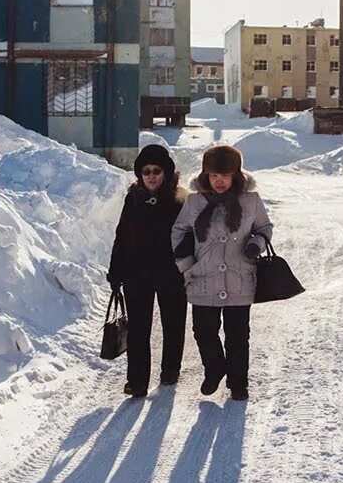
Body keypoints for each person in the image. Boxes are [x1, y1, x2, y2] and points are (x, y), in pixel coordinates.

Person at [171, 144, 272, 402]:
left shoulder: (251, 200)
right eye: (214, 175)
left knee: (238, 336)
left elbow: (264, 228)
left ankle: (239, 384)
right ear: (206, 175)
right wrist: (187, 265)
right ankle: (214, 370)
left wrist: (255, 245)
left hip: (240, 278)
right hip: (203, 278)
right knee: (204, 332)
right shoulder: (195, 201)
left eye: (225, 176)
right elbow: (179, 231)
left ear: (236, 175)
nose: (219, 181)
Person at [107, 144, 188, 399]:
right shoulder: (133, 198)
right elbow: (122, 235)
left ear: (166, 172)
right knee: (139, 329)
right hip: (137, 274)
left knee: (173, 324)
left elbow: (192, 237)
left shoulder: (181, 199)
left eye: (156, 171)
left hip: (171, 274)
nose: (151, 176)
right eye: (146, 171)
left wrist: (188, 265)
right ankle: (137, 381)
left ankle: (170, 370)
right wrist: (116, 270)